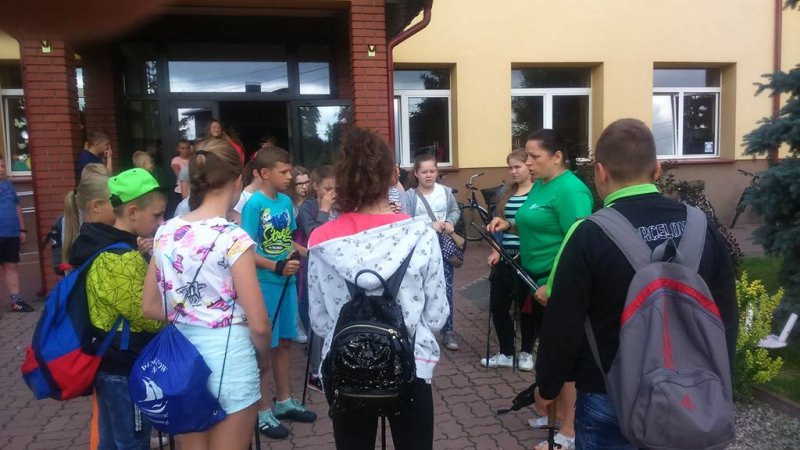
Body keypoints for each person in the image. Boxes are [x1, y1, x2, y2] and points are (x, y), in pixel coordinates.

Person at [531, 119, 738, 448]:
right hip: (692, 394)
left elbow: (563, 324)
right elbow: (725, 314)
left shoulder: (587, 234)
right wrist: (723, 381)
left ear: (600, 172)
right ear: (657, 169)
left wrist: (548, 386)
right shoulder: (702, 227)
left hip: (607, 392)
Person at [307, 128, 448, 450]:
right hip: (411, 361)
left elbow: (319, 320)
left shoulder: (321, 240)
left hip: (346, 365)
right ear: (391, 175)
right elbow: (437, 314)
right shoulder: (420, 234)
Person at [141, 138, 272, 450]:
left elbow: (149, 306)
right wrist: (264, 359)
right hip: (230, 356)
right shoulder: (233, 237)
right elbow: (259, 324)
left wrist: (191, 314)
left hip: (181, 358)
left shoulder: (166, 231)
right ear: (237, 180)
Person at [488, 129, 593, 450]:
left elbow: (580, 244)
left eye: (534, 156)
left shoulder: (571, 190)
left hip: (556, 286)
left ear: (557, 157)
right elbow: (535, 222)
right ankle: (556, 415)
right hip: (533, 281)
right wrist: (509, 224)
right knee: (550, 352)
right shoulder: (542, 185)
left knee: (566, 359)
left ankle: (571, 431)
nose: (528, 162)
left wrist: (554, 284)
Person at [69, 168, 166, 449]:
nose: (161, 222)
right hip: (125, 367)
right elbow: (147, 315)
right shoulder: (121, 258)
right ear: (133, 212)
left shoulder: (103, 245)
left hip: (110, 361)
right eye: (157, 215)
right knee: (132, 443)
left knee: (111, 441)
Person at [241, 147, 317, 439]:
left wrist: (311, 252)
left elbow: (287, 241)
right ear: (264, 173)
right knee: (264, 348)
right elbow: (246, 250)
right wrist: (276, 266)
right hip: (265, 284)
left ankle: (283, 401)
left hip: (288, 282)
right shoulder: (254, 206)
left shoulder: (285, 202)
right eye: (283, 172)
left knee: (284, 343)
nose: (289, 177)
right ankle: (262, 410)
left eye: (290, 171)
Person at [481, 149, 537, 371]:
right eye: (510, 167)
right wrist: (495, 251)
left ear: (528, 167)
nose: (513, 171)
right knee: (498, 305)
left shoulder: (538, 193)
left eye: (517, 167)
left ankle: (526, 353)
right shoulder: (505, 193)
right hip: (506, 256)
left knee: (526, 308)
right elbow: (497, 225)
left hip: (528, 258)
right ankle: (505, 352)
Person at [404, 154, 461, 350]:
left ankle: (448, 330)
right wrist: (429, 225)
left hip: (443, 248)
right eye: (424, 172)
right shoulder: (409, 196)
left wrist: (450, 222)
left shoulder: (445, 192)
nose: (429, 175)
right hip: (419, 250)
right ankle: (420, 330)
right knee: (418, 289)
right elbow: (405, 220)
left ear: (437, 171)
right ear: (416, 174)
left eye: (432, 171)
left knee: (446, 288)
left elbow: (454, 211)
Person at [295, 165, 335, 392]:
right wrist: (325, 210)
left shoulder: (339, 205)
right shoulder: (307, 208)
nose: (332, 193)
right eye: (327, 188)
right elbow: (315, 237)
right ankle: (316, 373)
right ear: (316, 186)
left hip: (333, 271)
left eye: (335, 188)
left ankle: (331, 365)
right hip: (309, 273)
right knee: (315, 321)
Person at [0, 158, 33, 312]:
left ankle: (16, 301)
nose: (1, 169)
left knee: (11, 266)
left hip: (11, 233)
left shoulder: (8, 185)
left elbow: (17, 207)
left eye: (2, 165)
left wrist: (22, 229)